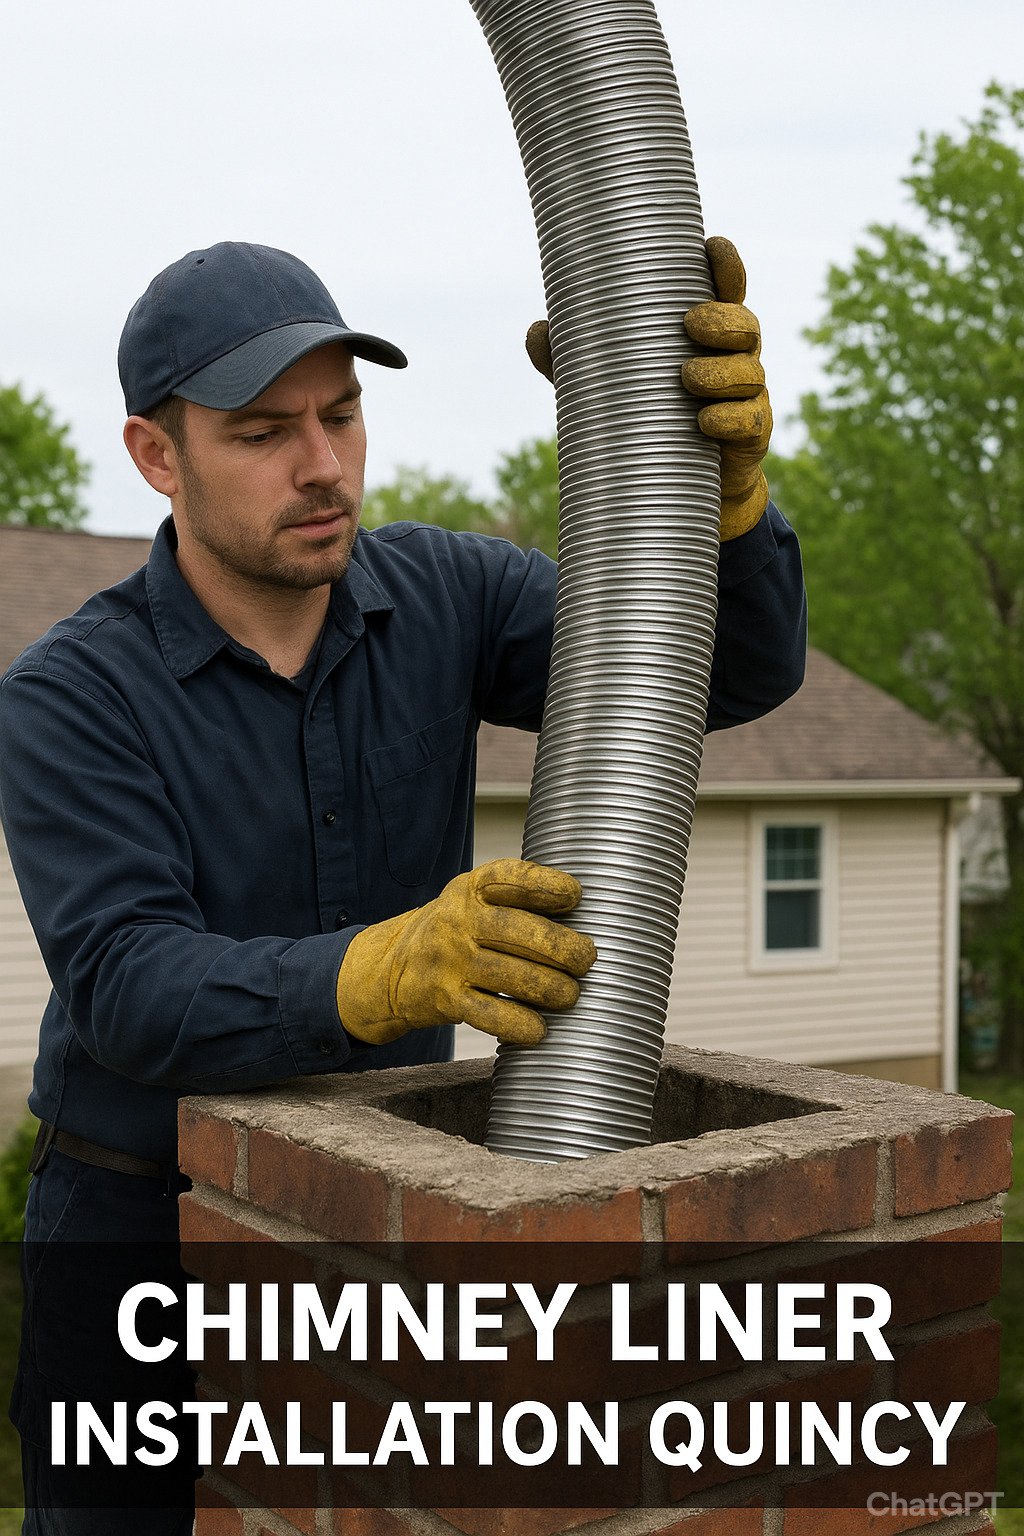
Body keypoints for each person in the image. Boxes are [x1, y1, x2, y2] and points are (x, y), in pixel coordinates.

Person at [0, 238, 806, 1530]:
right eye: (264, 431)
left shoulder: (452, 599)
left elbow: (717, 675)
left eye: (342, 414)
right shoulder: (71, 698)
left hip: (377, 1203)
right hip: (137, 1225)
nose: (322, 465)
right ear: (159, 455)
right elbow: (126, 988)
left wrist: (724, 498)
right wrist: (389, 967)